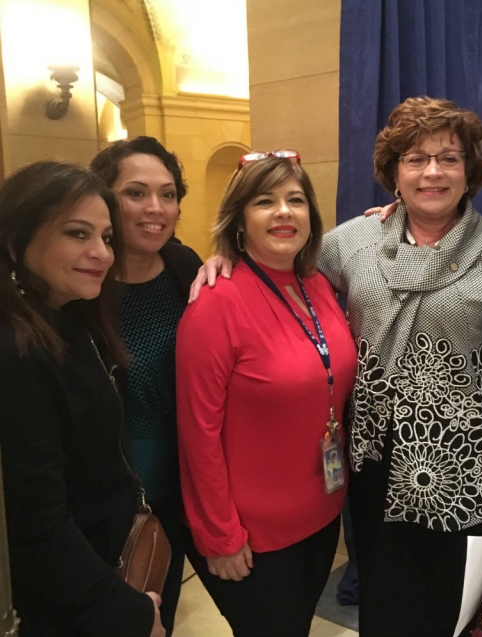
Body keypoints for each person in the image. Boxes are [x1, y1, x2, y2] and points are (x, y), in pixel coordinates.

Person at [191, 98, 482, 637]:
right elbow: (282, 265)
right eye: (415, 158)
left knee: (455, 617)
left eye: (448, 158)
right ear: (393, 172)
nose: (432, 172)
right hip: (372, 468)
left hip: (466, 473)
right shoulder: (353, 241)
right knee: (385, 611)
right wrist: (224, 258)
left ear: (471, 170)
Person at [176, 154, 357, 637]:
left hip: (321, 512)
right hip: (255, 535)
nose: (283, 212)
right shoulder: (215, 304)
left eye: (295, 200)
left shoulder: (316, 283)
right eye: (265, 201)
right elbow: (198, 434)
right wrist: (219, 534)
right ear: (239, 219)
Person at [0, 161, 165, 637]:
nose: (101, 253)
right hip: (70, 605)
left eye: (106, 237)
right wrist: (132, 614)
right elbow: (36, 528)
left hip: (101, 573)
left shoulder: (68, 317)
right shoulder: (17, 350)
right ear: (16, 240)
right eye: (77, 234)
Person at [90, 136, 202, 636]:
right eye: (135, 193)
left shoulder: (185, 268)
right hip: (101, 504)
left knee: (159, 620)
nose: (156, 208)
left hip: (175, 501)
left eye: (168, 193)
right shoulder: (83, 284)